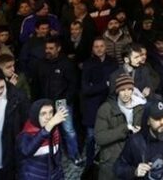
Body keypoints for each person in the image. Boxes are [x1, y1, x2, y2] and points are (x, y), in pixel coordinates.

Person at [31, 36, 83, 166]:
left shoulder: (66, 64)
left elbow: (73, 85)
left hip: (62, 103)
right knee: (48, 130)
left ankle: (74, 155)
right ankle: (53, 157)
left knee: (68, 130)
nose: (48, 51)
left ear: (58, 48)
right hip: (45, 103)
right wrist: (37, 102)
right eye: (46, 48)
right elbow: (36, 85)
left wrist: (65, 101)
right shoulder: (40, 64)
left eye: (51, 48)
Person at [114, 96, 163, 180]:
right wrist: (134, 171)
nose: (162, 122)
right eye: (157, 118)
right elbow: (118, 167)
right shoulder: (135, 141)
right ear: (148, 121)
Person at [94, 74, 146, 180]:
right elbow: (99, 138)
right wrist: (125, 128)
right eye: (122, 90)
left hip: (132, 158)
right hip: (112, 158)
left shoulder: (141, 107)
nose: (126, 94)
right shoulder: (106, 109)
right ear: (117, 91)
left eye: (129, 89)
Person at [80, 36, 118, 169]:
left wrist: (96, 86)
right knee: (90, 137)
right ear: (92, 48)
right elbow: (86, 89)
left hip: (109, 104)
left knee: (109, 135)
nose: (99, 49)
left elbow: (115, 84)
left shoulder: (113, 63)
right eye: (96, 46)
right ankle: (90, 163)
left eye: (101, 46)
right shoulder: (88, 63)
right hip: (92, 106)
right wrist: (105, 84)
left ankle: (107, 161)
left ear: (105, 47)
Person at [16, 98, 67, 180]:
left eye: (51, 112)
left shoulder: (54, 130)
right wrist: (47, 129)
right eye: (43, 114)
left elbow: (57, 156)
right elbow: (26, 151)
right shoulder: (26, 134)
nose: (48, 117)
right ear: (35, 115)